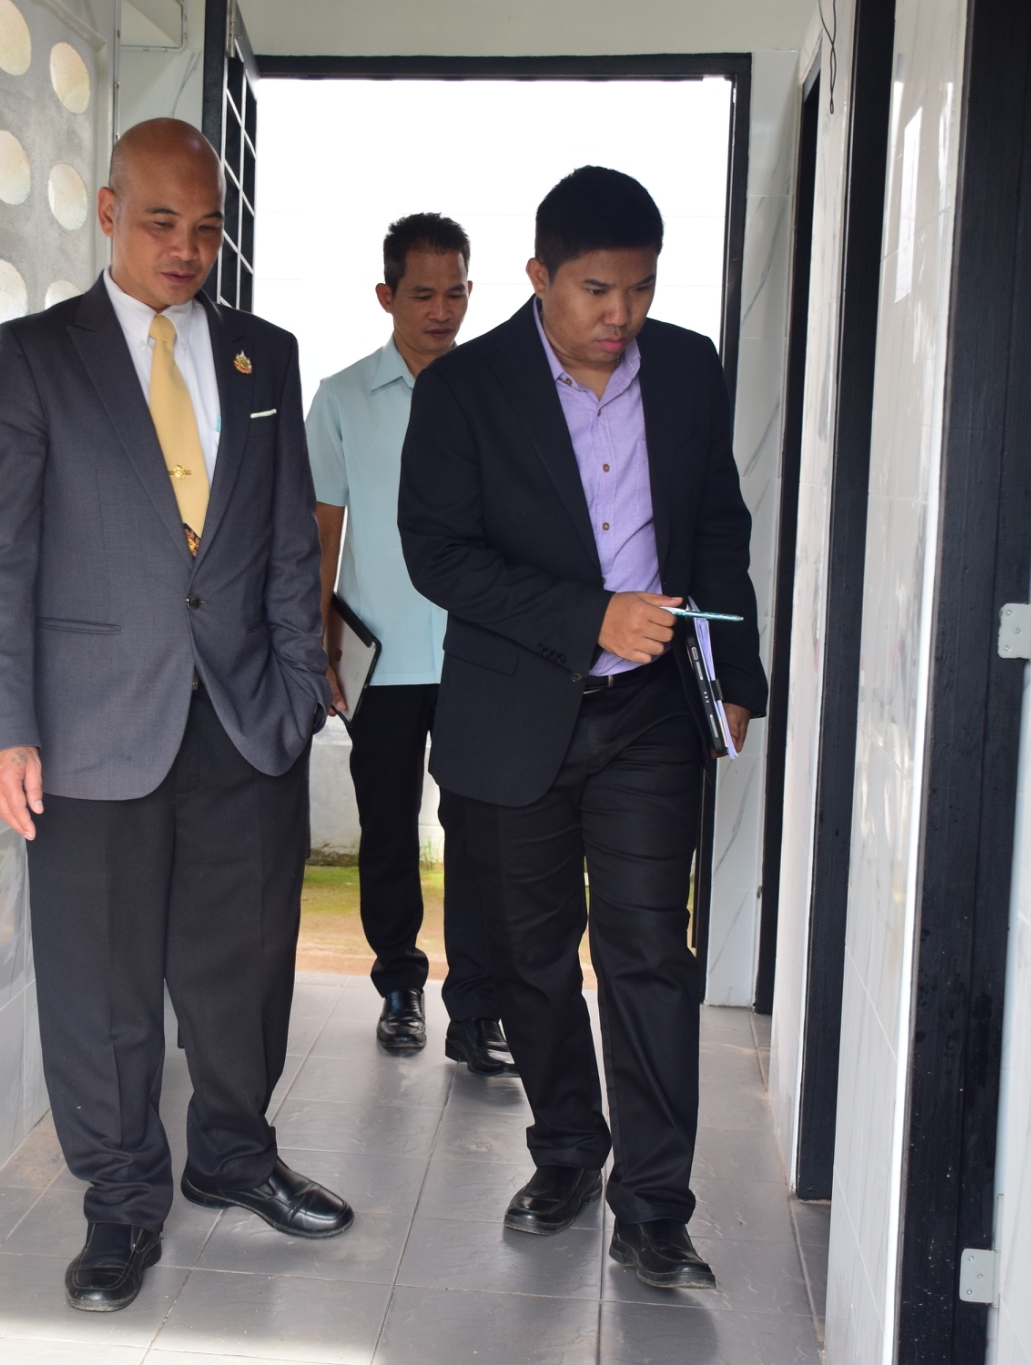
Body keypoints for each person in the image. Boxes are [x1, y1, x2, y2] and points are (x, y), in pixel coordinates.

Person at [0, 117, 351, 1315]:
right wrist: (4, 727)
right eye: (161, 221)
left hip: (241, 720)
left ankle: (231, 1154)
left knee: (242, 968)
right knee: (102, 981)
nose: (185, 248)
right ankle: (121, 1200)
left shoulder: (263, 357)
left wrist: (297, 695)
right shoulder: (36, 356)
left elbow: (288, 543)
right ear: (108, 212)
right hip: (88, 729)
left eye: (206, 227)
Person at [397, 166, 767, 1291]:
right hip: (516, 716)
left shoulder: (689, 369)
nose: (622, 316)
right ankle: (565, 1149)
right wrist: (586, 615)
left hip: (650, 716)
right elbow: (437, 554)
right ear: (539, 277)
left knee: (651, 955)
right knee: (530, 956)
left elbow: (717, 528)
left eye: (640, 290)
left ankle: (655, 1208)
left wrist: (734, 672)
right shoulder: (464, 388)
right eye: (597, 291)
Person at [306, 213, 513, 1074]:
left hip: (477, 655)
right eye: (422, 293)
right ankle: (399, 984)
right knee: (387, 828)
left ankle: (477, 1009)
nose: (441, 310)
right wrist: (318, 643)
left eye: (455, 292)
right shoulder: (342, 398)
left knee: (478, 835)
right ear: (386, 295)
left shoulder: (497, 392)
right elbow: (322, 531)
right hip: (381, 658)